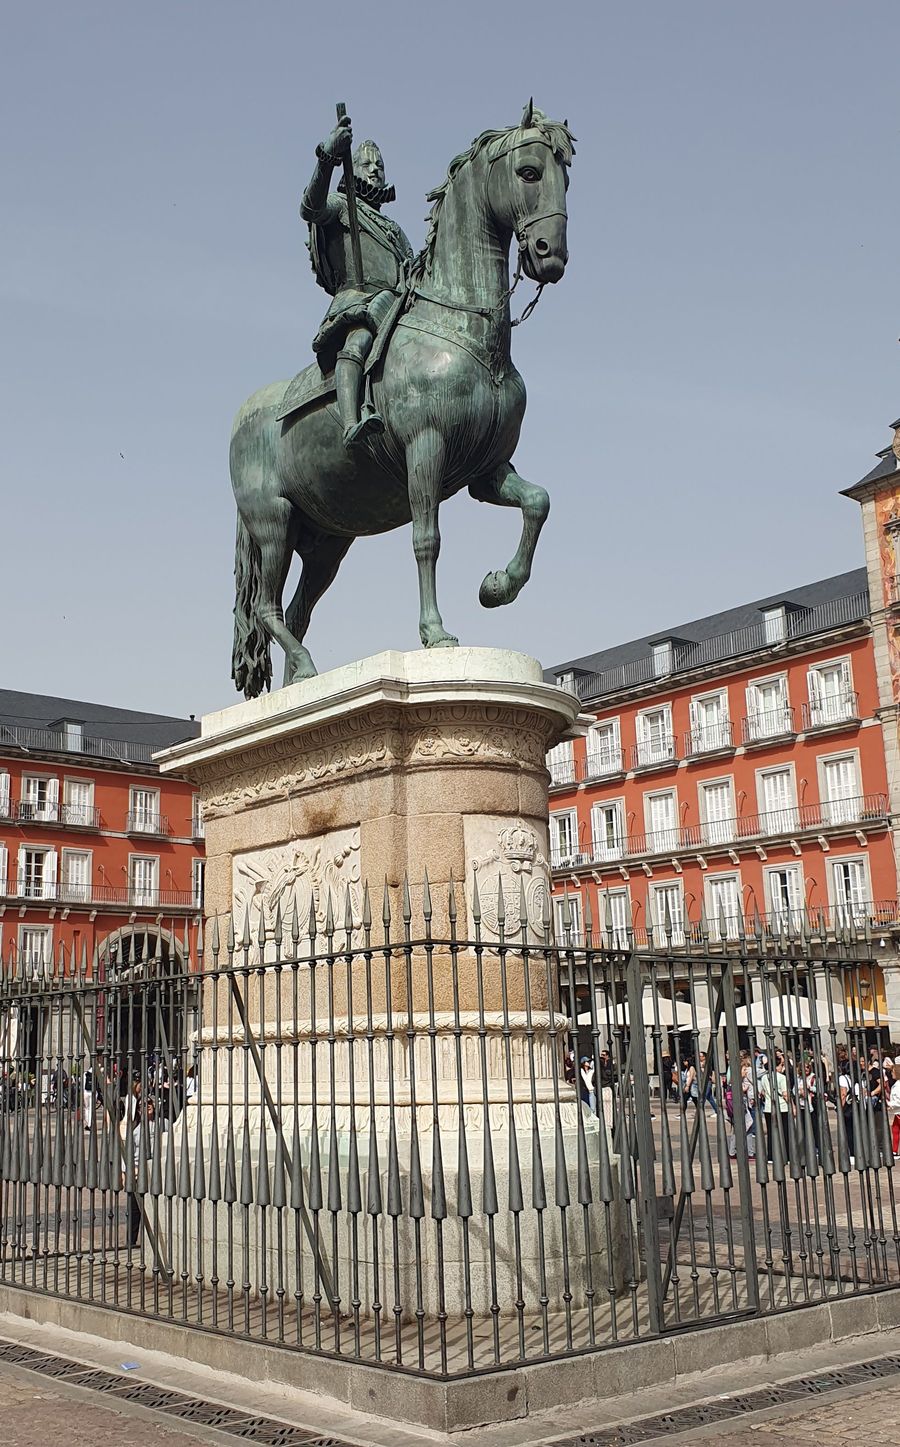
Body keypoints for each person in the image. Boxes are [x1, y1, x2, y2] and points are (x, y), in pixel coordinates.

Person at [299, 114, 414, 451]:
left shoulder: (395, 230)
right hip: (360, 302)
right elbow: (310, 207)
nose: (374, 169)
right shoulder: (342, 206)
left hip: (397, 307)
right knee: (359, 341)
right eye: (366, 163)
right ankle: (351, 422)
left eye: (379, 164)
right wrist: (328, 158)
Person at [888, 1058, 900, 1157]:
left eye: (893, 1072)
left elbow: (898, 1100)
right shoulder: (896, 1084)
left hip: (899, 1111)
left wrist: (890, 1104)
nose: (891, 1074)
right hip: (897, 1112)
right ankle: (894, 1150)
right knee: (895, 1130)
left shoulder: (898, 1085)